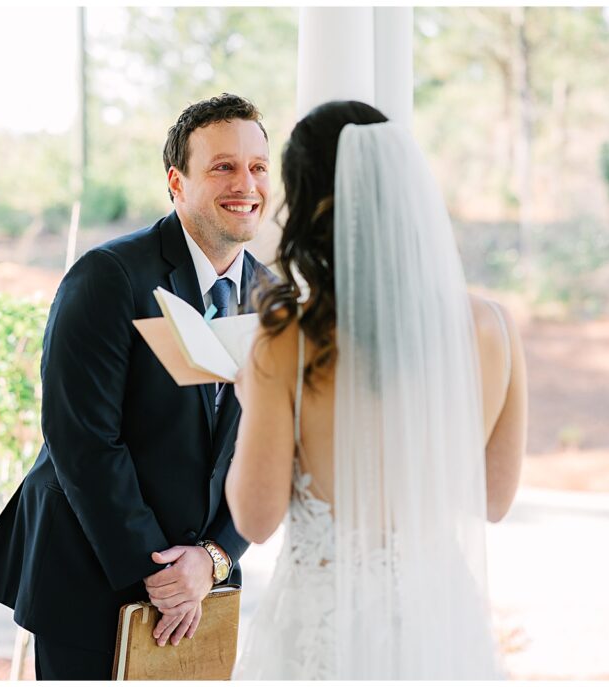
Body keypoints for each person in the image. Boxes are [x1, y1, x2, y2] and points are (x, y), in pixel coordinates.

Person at [0, 93, 273, 680]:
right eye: (223, 167)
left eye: (258, 167)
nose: (247, 184)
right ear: (176, 182)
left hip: (200, 591)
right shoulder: (108, 277)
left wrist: (212, 560)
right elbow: (81, 440)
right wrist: (159, 573)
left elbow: (268, 446)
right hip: (90, 578)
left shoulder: (273, 298)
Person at [225, 101, 528, 679]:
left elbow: (255, 519)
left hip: (323, 631)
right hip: (439, 627)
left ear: (311, 206)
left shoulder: (287, 339)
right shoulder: (493, 327)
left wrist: (250, 397)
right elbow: (492, 499)